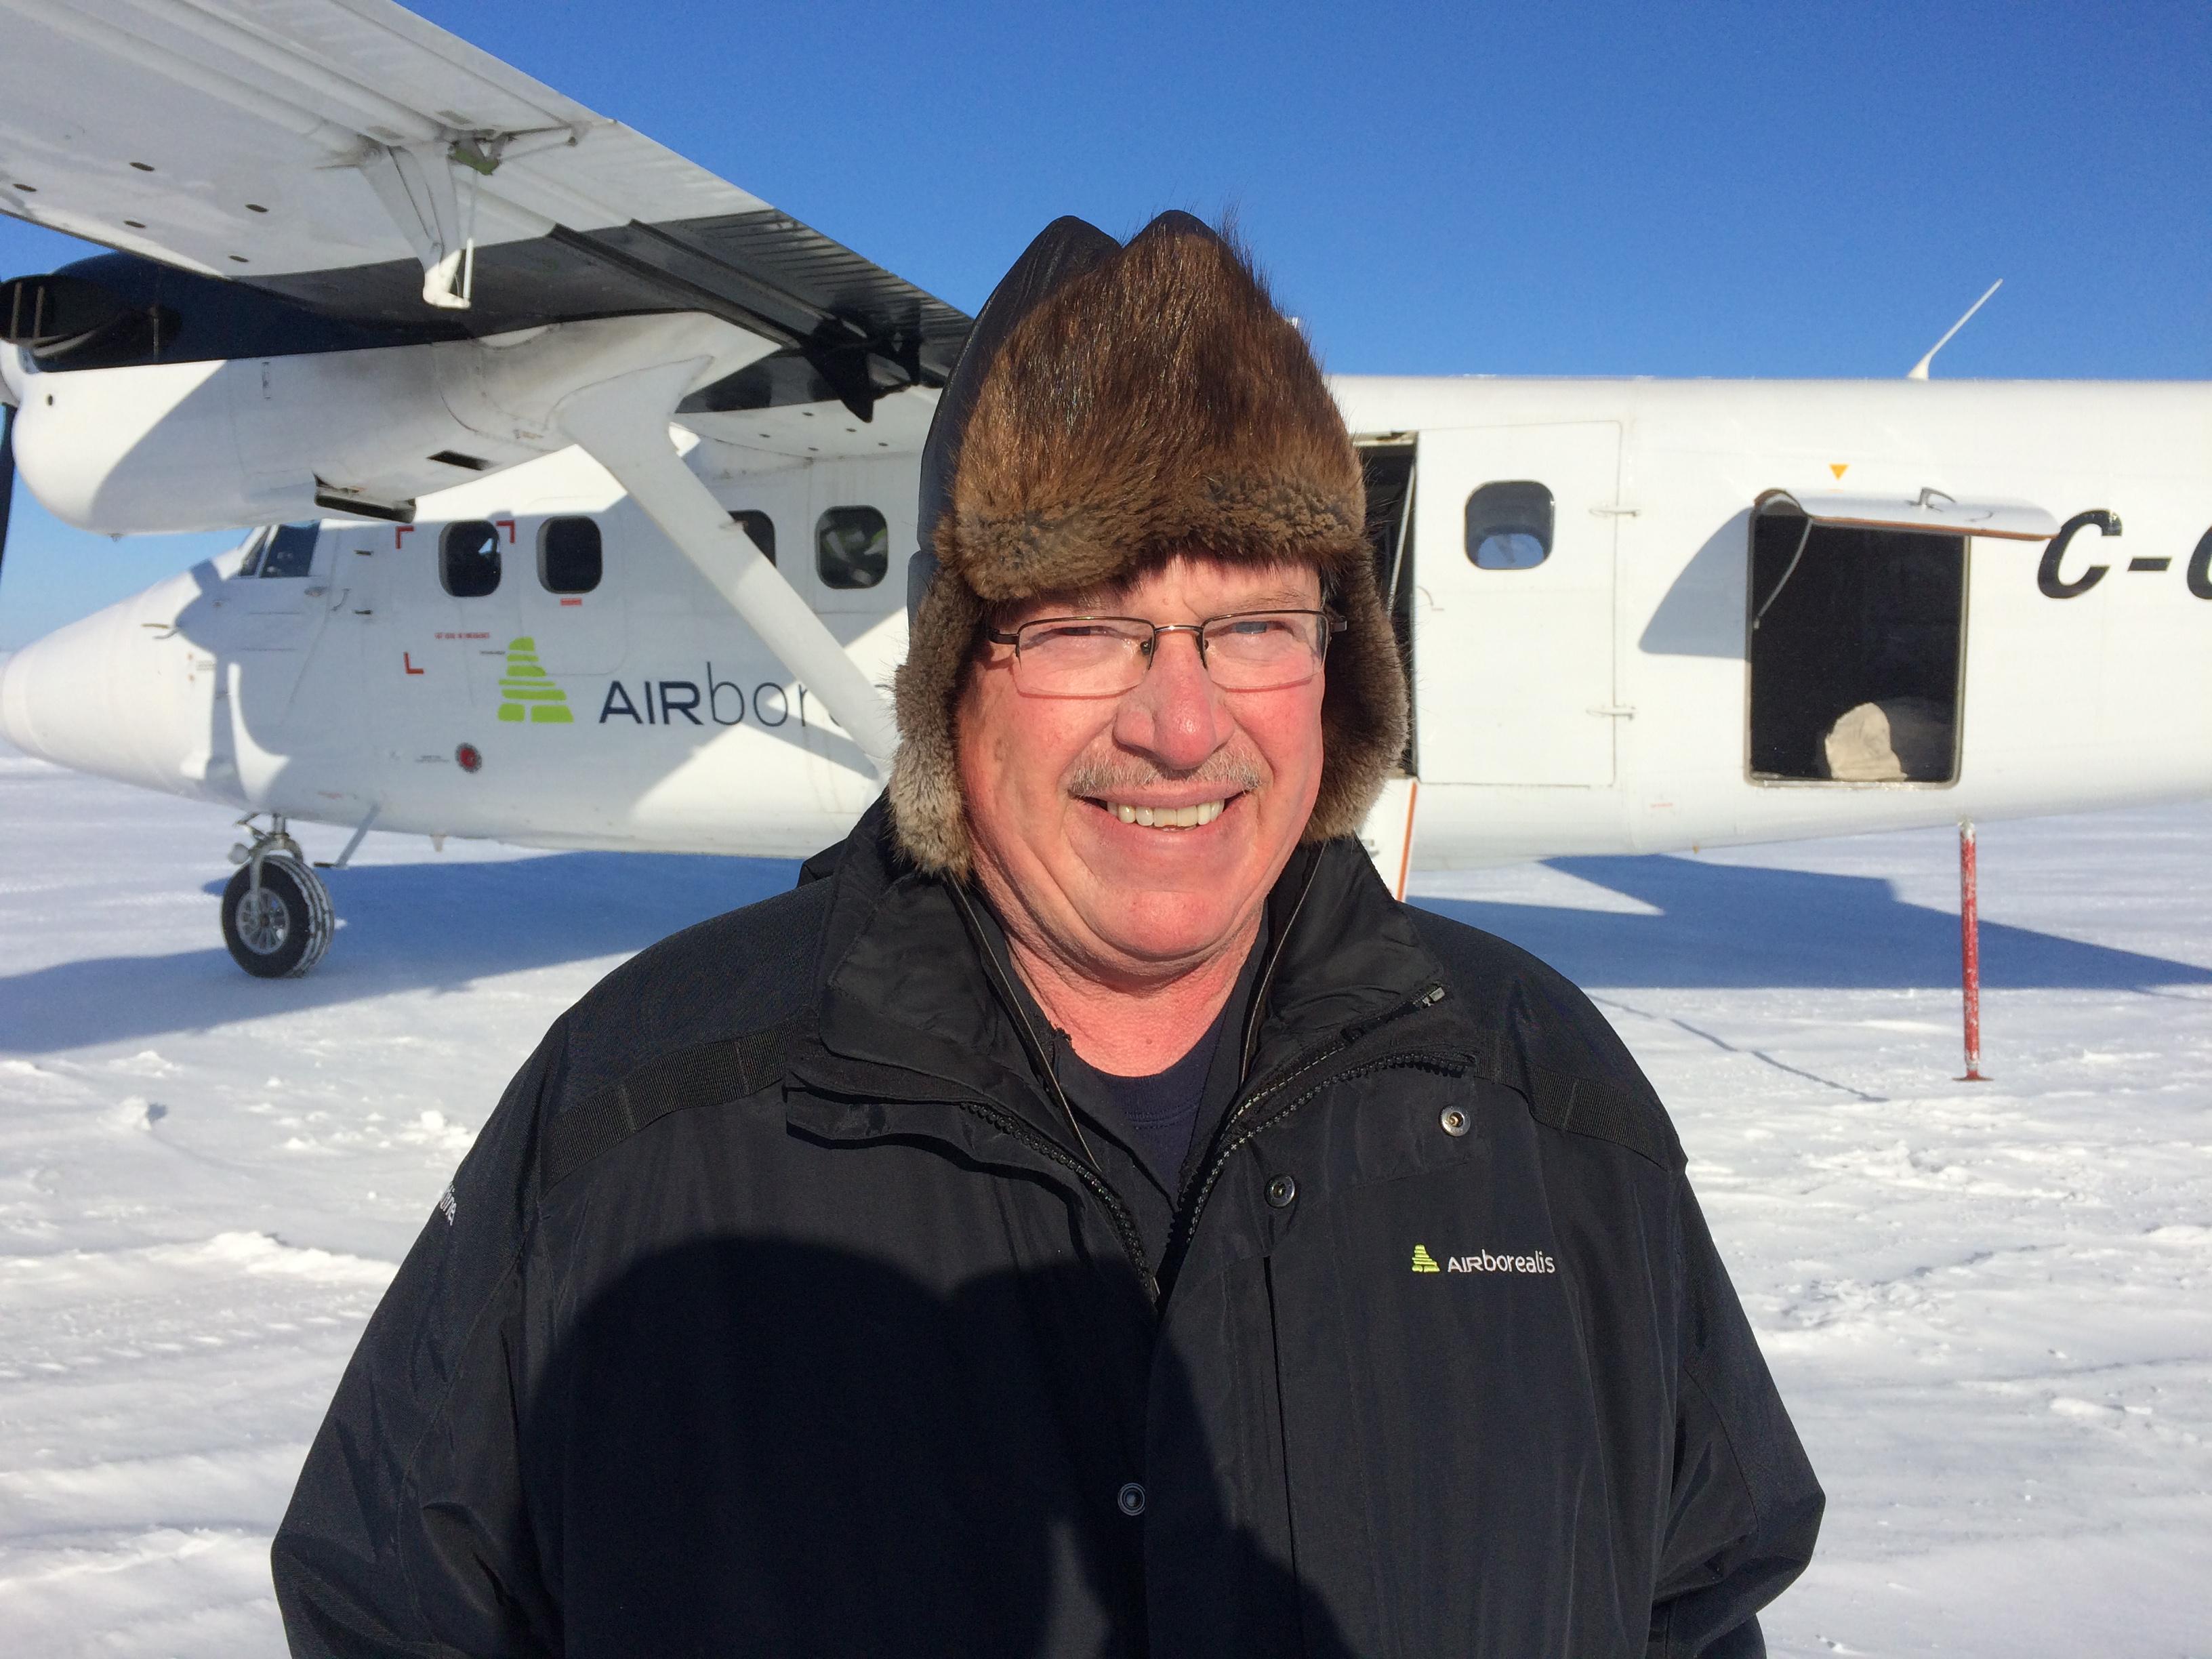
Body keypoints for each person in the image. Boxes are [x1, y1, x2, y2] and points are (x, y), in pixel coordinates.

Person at [272, 212, 1822, 1658]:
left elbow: (1701, 1591)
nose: (1181, 722)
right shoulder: (640, 1116)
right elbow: (398, 1602)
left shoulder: (1544, 1095)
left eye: (1256, 624)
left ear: (1336, 673)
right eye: (1085, 625)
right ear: (956, 678)